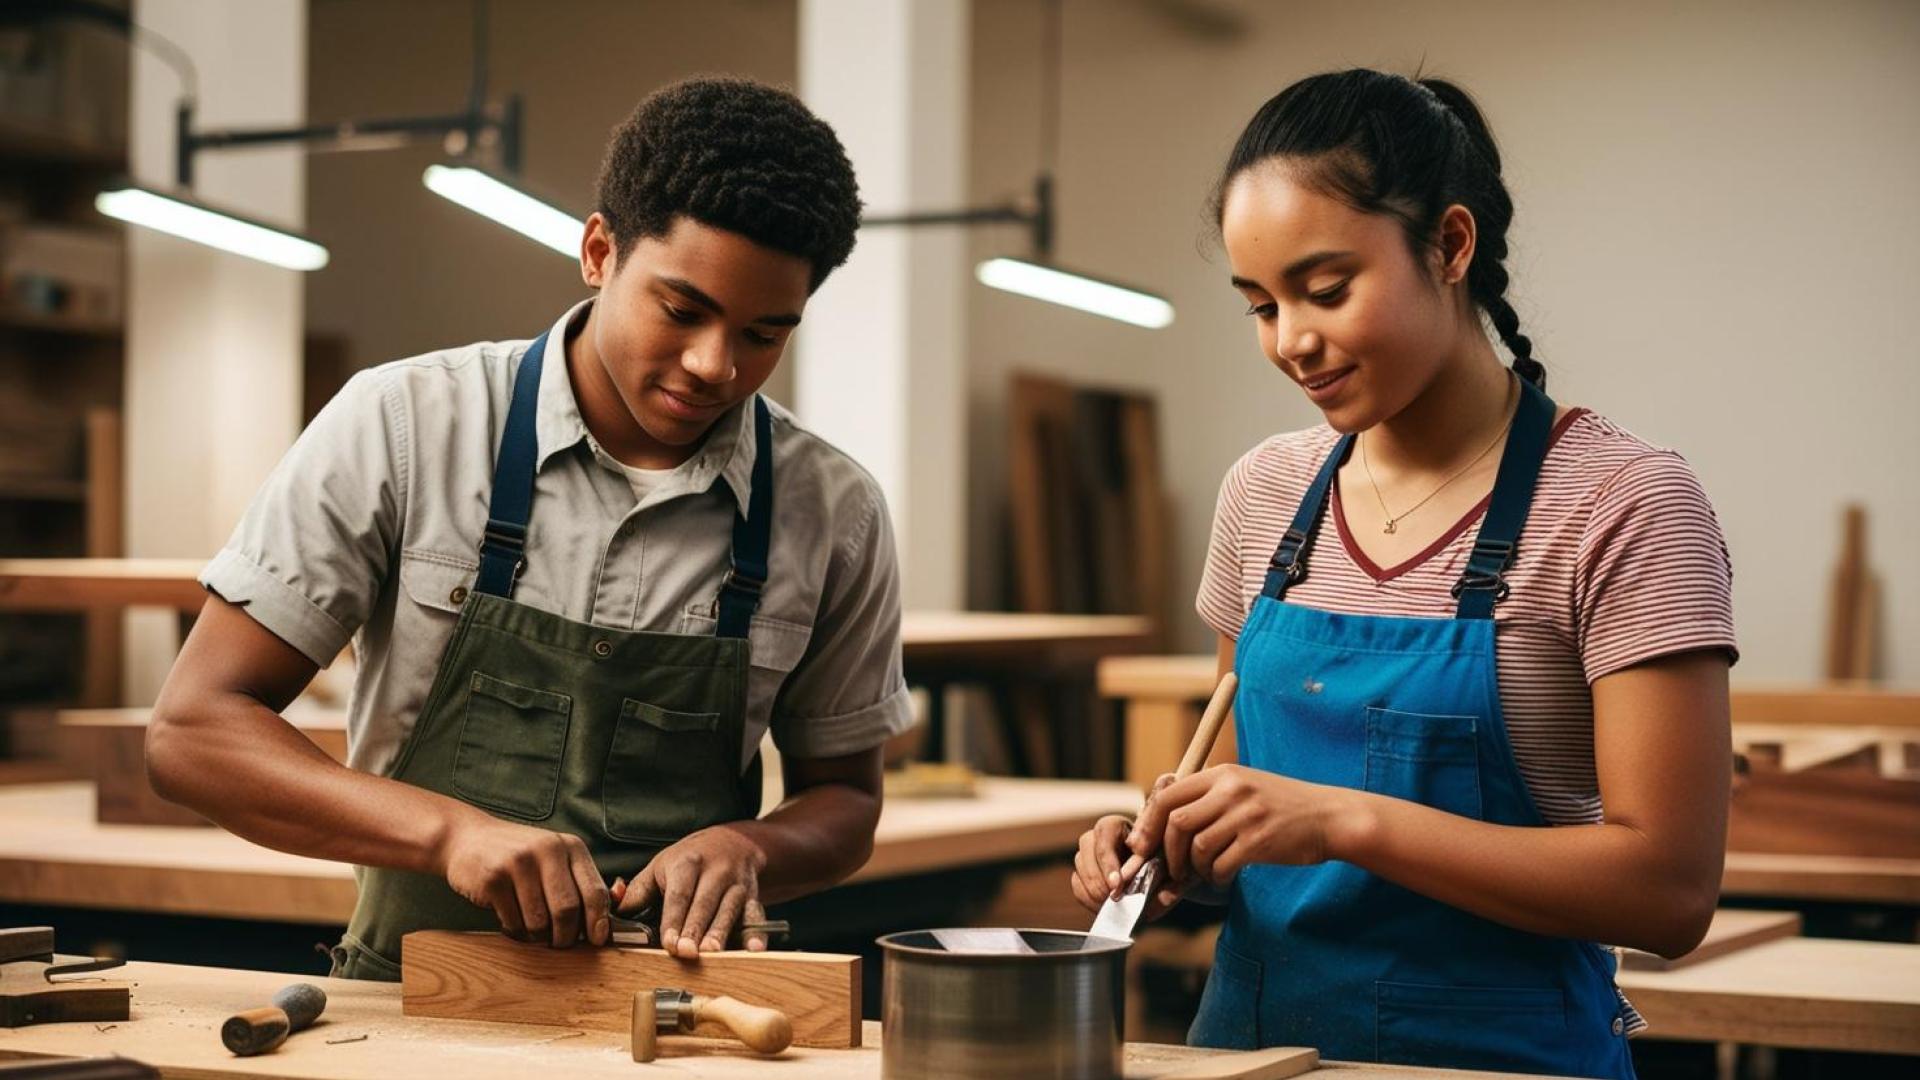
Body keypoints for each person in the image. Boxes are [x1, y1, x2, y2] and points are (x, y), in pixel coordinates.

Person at [147, 76, 910, 980]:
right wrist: (447, 834)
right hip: (413, 1008)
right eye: (682, 311)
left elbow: (847, 800)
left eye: (764, 334)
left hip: (693, 1018)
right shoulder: (404, 426)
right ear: (598, 251)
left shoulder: (834, 512)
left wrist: (754, 847)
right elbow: (193, 733)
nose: (714, 364)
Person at [1071, 69, 1736, 1078]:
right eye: (1260, 304)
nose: (1292, 340)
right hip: (1255, 1058)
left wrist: (1345, 820)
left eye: (1327, 290)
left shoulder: (1625, 505)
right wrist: (1169, 858)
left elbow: (1668, 896)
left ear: (1450, 245)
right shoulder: (1266, 494)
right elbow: (1242, 810)